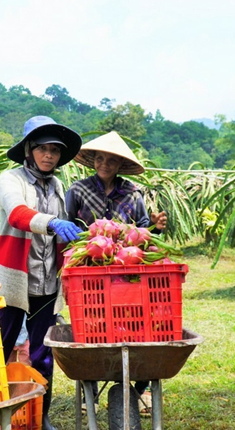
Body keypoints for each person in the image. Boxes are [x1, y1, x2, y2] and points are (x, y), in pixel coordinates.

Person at [66, 130, 167, 415]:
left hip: (128, 271)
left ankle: (141, 388)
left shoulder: (133, 193)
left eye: (111, 160)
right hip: (89, 272)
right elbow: (67, 229)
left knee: (139, 323)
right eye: (99, 159)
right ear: (92, 161)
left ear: (120, 164)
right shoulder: (77, 190)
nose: (104, 164)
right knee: (93, 325)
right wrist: (92, 244)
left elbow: (144, 231)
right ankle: (90, 392)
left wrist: (156, 227)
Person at [0, 115, 82, 430]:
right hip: (16, 280)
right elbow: (17, 214)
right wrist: (52, 222)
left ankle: (40, 415)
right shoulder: (10, 179)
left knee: (43, 352)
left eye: (55, 151)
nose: (48, 156)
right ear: (29, 149)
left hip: (47, 282)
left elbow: (64, 229)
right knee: (1, 347)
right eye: (42, 148)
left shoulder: (58, 186)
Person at [0, 243, 30, 365]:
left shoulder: (18, 281)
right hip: (4, 330)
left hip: (24, 331)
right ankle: (9, 383)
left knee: (27, 362)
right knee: (6, 362)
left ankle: (27, 383)